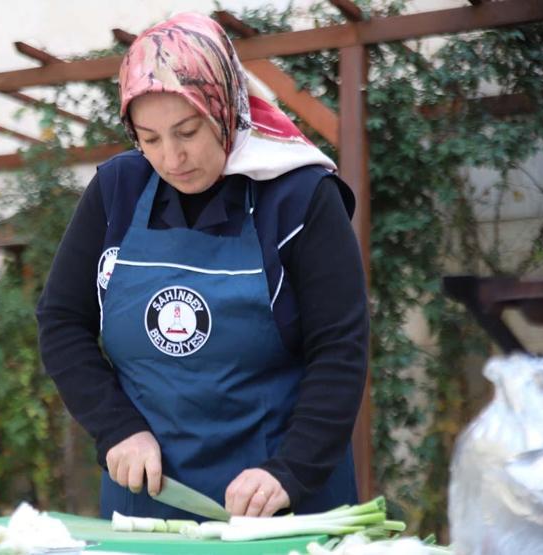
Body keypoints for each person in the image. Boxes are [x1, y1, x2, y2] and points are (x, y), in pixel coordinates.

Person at [36, 12, 368, 519]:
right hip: (148, 507)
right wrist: (117, 428)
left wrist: (291, 470)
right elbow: (62, 320)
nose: (172, 158)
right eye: (150, 139)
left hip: (278, 511)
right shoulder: (117, 190)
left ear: (224, 108)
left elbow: (340, 348)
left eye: (187, 131)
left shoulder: (299, 197)